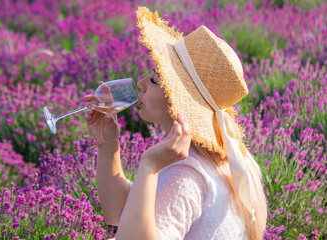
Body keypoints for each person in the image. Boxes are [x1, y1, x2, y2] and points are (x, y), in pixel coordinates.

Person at [84, 6, 267, 240]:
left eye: (154, 79)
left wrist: (149, 166)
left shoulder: (187, 174)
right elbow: (123, 214)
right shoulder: (214, 162)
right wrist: (108, 147)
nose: (140, 83)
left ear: (178, 100)